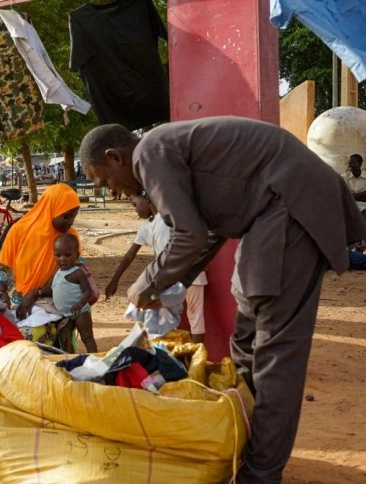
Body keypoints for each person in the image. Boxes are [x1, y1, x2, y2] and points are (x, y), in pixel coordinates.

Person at [78, 117, 366, 483]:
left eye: (104, 181)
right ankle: (242, 442)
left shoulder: (150, 153)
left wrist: (146, 283)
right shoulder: (160, 151)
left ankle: (260, 474)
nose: (112, 191)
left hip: (290, 207)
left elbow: (189, 235)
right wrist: (168, 287)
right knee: (245, 339)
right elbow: (207, 230)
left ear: (114, 157)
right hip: (269, 215)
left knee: (275, 355)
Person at [106, 191, 208, 343]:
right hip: (182, 277)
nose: (135, 210)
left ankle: (195, 357)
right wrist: (114, 280)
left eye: (135, 205)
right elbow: (129, 256)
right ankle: (185, 357)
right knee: (189, 317)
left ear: (147, 198)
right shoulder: (146, 227)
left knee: (189, 316)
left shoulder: (169, 216)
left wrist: (115, 280)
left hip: (180, 276)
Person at [0, 183, 80, 347]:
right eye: (66, 216)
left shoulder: (69, 238)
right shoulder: (19, 230)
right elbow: (2, 267)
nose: (70, 222)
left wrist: (36, 293)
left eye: (74, 216)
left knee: (27, 339)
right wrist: (1, 291)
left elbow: (72, 277)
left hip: (51, 301)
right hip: (16, 301)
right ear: (51, 209)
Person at [44, 233, 98, 353]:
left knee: (87, 336)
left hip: (80, 311)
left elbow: (87, 291)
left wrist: (80, 304)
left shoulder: (77, 272)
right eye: (58, 255)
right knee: (65, 338)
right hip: (65, 314)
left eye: (67, 255)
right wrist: (37, 292)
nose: (62, 259)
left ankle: (95, 360)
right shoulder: (57, 273)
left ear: (77, 255)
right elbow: (52, 288)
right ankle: (71, 360)